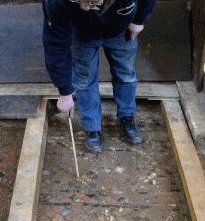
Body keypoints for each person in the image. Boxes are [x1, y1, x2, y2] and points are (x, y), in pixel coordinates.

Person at [42, 0, 156, 153]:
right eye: (81, 1)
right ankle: (92, 128)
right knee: (84, 80)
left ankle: (127, 118)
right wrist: (64, 92)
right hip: (82, 32)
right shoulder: (56, 2)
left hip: (120, 27)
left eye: (90, 2)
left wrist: (139, 19)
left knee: (126, 75)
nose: (85, 7)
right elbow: (55, 44)